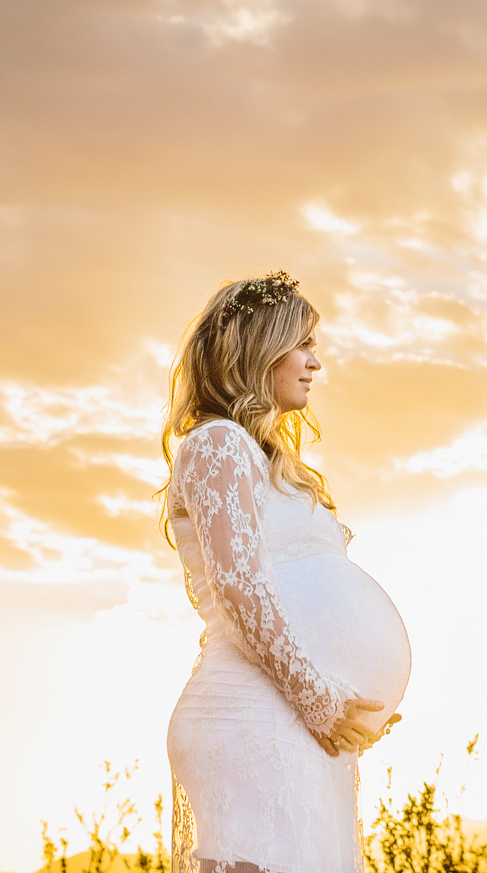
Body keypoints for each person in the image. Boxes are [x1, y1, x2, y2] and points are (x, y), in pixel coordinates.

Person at [158, 272, 408, 873]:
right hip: (252, 717)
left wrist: (355, 703)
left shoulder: (267, 461)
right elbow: (240, 592)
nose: (315, 362)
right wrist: (322, 701)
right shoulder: (217, 442)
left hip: (290, 719)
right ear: (258, 349)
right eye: (302, 343)